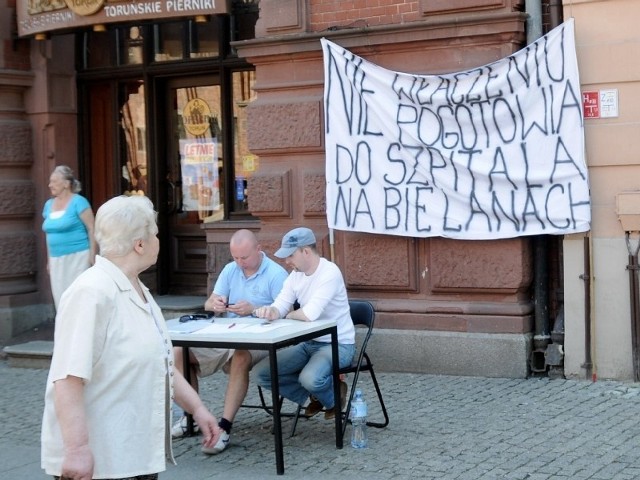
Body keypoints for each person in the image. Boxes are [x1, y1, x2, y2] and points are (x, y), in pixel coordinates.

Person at [41, 195, 222, 480]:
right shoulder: (91, 292)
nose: (158, 241)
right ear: (140, 244)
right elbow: (68, 377)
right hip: (101, 463)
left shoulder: (138, 289)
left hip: (133, 457)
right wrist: (76, 450)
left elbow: (161, 362)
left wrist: (197, 409)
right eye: (156, 234)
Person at [171, 229, 288, 455]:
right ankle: (193, 416)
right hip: (226, 333)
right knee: (178, 351)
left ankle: (224, 427)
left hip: (261, 338)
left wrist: (254, 310)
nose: (240, 262)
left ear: (258, 249)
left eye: (244, 257)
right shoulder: (230, 270)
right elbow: (208, 303)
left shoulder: (276, 274)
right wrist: (214, 304)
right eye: (235, 257)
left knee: (241, 354)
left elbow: (287, 312)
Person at [253, 227, 355, 419]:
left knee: (309, 378)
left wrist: (287, 315)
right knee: (261, 373)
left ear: (305, 251)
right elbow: (281, 305)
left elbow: (309, 314)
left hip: (338, 344)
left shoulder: (329, 272)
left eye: (290, 255)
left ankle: (330, 397)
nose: (287, 261)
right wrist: (271, 311)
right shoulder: (296, 275)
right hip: (309, 343)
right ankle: (316, 395)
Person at [42, 165, 97, 310]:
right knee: (61, 299)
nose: (50, 185)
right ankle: (65, 331)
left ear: (66, 184)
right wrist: (49, 260)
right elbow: (48, 234)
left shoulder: (79, 202)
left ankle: (83, 330)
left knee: (78, 297)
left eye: (54, 181)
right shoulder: (48, 205)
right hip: (56, 259)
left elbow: (92, 228)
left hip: (78, 257)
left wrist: (92, 254)